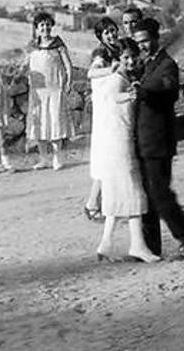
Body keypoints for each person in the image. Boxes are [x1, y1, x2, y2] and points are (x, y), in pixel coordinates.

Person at [132, 17, 184, 259]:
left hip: (158, 141)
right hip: (143, 140)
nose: (142, 45)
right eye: (138, 41)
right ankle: (151, 247)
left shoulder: (167, 65)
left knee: (161, 194)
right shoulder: (146, 65)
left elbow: (167, 91)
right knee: (147, 196)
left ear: (156, 38)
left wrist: (143, 92)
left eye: (145, 40)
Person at [91, 40, 160, 264]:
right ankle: (137, 245)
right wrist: (134, 94)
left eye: (133, 57)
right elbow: (115, 99)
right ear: (116, 59)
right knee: (132, 192)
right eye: (125, 58)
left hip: (113, 143)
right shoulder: (117, 81)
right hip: (120, 142)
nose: (130, 61)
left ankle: (107, 243)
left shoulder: (112, 78)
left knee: (119, 193)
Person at [83, 17, 123, 220]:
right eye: (107, 32)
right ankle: (92, 203)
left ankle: (102, 202)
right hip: (107, 110)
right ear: (100, 36)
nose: (111, 34)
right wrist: (112, 69)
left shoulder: (117, 48)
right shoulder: (102, 52)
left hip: (116, 106)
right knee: (108, 157)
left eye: (113, 30)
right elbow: (92, 72)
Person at [25, 11, 73, 171]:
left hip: (55, 89)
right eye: (41, 25)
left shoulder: (58, 44)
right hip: (38, 91)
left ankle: (57, 158)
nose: (45, 28)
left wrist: (69, 82)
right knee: (39, 123)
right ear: (37, 28)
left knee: (55, 122)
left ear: (51, 26)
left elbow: (68, 65)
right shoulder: (32, 45)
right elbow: (25, 64)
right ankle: (43, 159)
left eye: (47, 24)